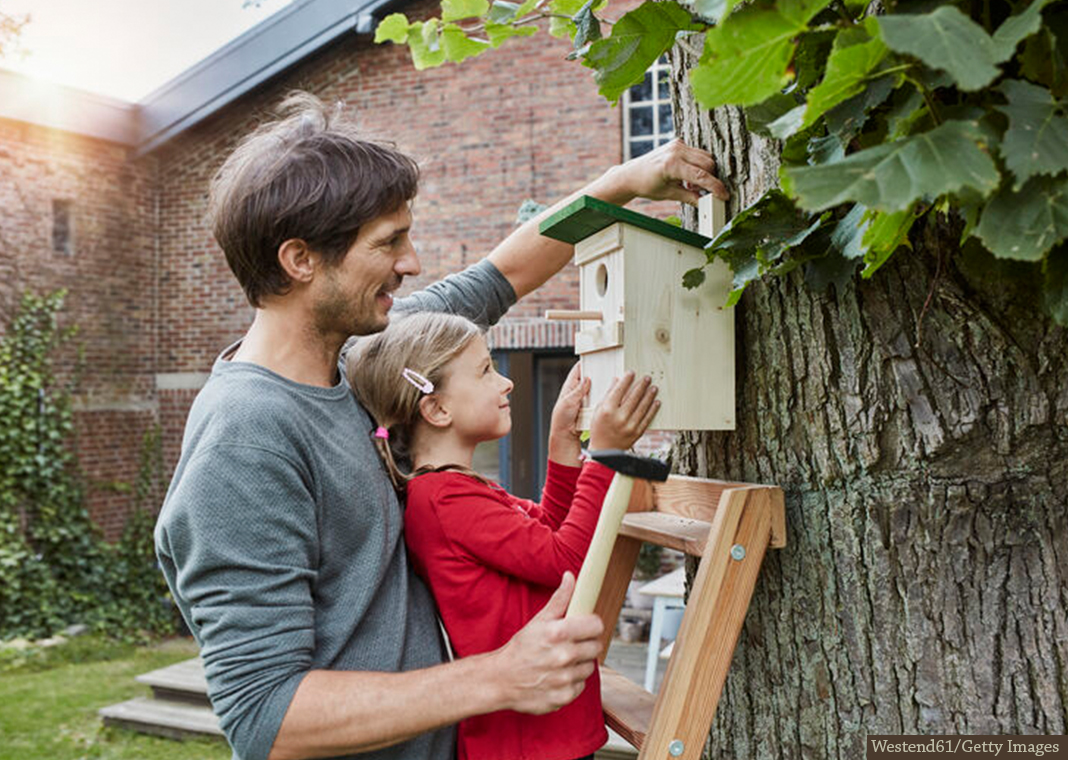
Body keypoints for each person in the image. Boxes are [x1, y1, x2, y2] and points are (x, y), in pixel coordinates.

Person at [154, 91, 727, 760]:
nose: (412, 262)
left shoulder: (368, 357)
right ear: (300, 260)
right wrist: (500, 677)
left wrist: (624, 183)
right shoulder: (246, 439)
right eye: (389, 242)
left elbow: (502, 274)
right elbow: (264, 717)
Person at [347, 310, 660, 760]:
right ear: (436, 408)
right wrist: (607, 455)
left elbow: (549, 536)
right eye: (486, 371)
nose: (506, 383)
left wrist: (562, 448)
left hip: (544, 730)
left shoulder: (463, 490)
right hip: (525, 742)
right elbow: (565, 559)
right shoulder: (443, 500)